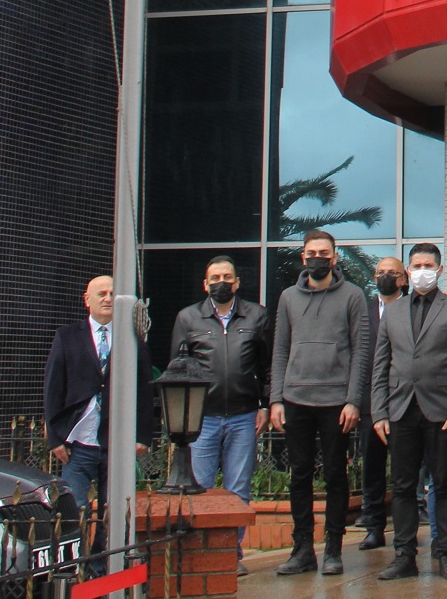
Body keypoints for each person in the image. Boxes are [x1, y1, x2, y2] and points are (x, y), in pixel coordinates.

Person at [371, 242, 447, 583]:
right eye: (416, 265)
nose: (422, 271)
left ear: (440, 270)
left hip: (442, 412)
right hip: (401, 410)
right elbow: (381, 363)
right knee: (402, 487)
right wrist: (379, 412)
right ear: (407, 272)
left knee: (444, 484)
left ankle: (446, 552)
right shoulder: (394, 311)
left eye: (428, 265)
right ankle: (404, 555)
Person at [270, 231, 370, 576]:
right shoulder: (287, 298)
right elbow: (280, 348)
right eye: (311, 252)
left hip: (336, 402)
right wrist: (275, 399)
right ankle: (302, 551)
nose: (317, 258)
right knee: (298, 476)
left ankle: (333, 550)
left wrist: (354, 400)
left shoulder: (353, 296)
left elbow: (361, 352)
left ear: (335, 257)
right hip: (295, 398)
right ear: (303, 258)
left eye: (323, 253)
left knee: (335, 476)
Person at [43, 275, 151, 574]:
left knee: (113, 512)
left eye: (113, 293)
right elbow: (53, 388)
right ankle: (70, 568)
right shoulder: (67, 337)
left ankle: (101, 571)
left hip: (116, 444)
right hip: (78, 443)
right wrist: (55, 438)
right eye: (100, 293)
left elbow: (144, 390)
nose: (107, 298)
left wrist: (142, 435)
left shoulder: (132, 340)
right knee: (73, 510)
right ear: (86, 299)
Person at [169, 257, 269, 564]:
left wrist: (265, 405)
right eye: (215, 277)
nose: (221, 282)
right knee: (200, 486)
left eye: (227, 277)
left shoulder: (257, 316)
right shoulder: (188, 318)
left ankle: (230, 553)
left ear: (237, 282)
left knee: (238, 489)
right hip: (203, 419)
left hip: (243, 415)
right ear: (205, 284)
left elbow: (266, 367)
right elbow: (176, 368)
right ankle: (201, 553)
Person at [359, 255, 409, 552]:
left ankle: (406, 532)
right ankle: (374, 527)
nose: (386, 276)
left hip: (406, 400)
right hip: (370, 403)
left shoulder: (414, 308)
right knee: (372, 468)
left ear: (404, 279)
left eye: (393, 272)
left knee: (407, 471)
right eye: (381, 272)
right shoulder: (363, 312)